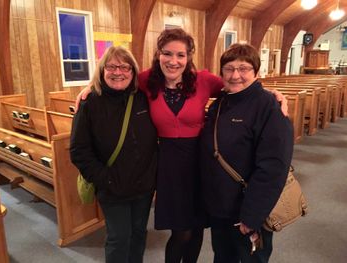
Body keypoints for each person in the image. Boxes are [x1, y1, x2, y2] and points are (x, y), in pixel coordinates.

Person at [76, 28, 288, 263]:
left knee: (196, 229)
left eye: (180, 55)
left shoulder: (203, 80)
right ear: (159, 55)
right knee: (181, 232)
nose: (173, 61)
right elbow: (118, 79)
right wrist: (88, 88)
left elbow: (239, 86)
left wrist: (273, 93)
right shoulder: (147, 80)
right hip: (169, 166)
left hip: (200, 163)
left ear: (189, 58)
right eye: (168, 54)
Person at [199, 43, 294, 263]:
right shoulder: (220, 104)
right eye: (229, 69)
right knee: (222, 257)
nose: (235, 75)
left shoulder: (270, 107)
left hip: (249, 211)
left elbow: (272, 168)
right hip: (220, 209)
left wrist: (252, 217)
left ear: (256, 72)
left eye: (243, 69)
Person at [70, 46, 157, 263]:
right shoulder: (90, 103)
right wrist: (105, 179)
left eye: (124, 67)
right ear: (102, 70)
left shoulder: (142, 97)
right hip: (112, 187)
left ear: (133, 71)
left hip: (143, 187)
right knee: (119, 238)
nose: (118, 72)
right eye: (111, 66)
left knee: (138, 234)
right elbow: (79, 151)